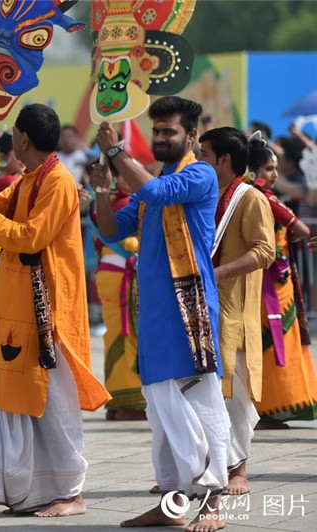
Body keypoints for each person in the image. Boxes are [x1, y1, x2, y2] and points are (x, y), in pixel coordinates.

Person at [0, 104, 110, 517]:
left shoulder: (58, 182)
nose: (11, 138)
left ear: (23, 138)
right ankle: (32, 490)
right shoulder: (32, 177)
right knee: (23, 396)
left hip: (50, 310)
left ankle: (72, 493)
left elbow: (29, 237)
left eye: (13, 132)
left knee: (57, 402)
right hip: (19, 303)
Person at [93, 96, 230, 531]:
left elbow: (154, 191)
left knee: (201, 405)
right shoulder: (154, 181)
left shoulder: (200, 174)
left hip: (188, 310)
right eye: (156, 132)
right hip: (154, 310)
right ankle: (172, 504)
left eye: (169, 131)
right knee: (161, 411)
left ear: (191, 135)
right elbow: (114, 229)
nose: (160, 139)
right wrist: (100, 189)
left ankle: (212, 507)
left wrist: (117, 152)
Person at [198, 127, 276, 495]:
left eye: (204, 155)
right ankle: (205, 466)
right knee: (204, 391)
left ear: (224, 161)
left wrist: (220, 272)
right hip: (206, 307)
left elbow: (265, 251)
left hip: (234, 310)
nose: (198, 160)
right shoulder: (208, 195)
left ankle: (239, 469)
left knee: (236, 395)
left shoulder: (250, 199)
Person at [247, 134, 317, 428]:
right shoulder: (263, 196)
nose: (274, 175)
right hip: (271, 283)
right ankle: (271, 407)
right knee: (274, 342)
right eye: (268, 170)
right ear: (252, 172)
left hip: (265, 280)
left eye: (275, 169)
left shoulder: (241, 195)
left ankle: (267, 407)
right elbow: (301, 228)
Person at [89, 162, 144, 420]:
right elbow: (127, 242)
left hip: (110, 274)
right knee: (127, 335)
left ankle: (117, 401)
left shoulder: (105, 203)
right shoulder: (124, 204)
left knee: (117, 335)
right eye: (125, 172)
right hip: (122, 276)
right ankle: (129, 403)